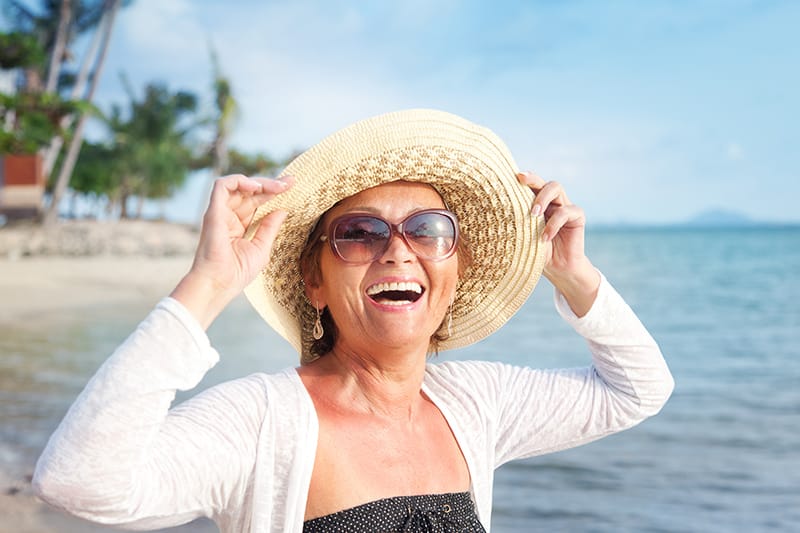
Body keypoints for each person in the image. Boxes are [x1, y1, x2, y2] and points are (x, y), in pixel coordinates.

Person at [33, 109, 674, 532]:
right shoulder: (260, 422)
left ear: (454, 275)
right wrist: (207, 285)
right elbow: (79, 482)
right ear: (313, 280)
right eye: (360, 233)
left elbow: (639, 390)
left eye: (427, 230)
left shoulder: (477, 403)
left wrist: (573, 276)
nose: (398, 250)